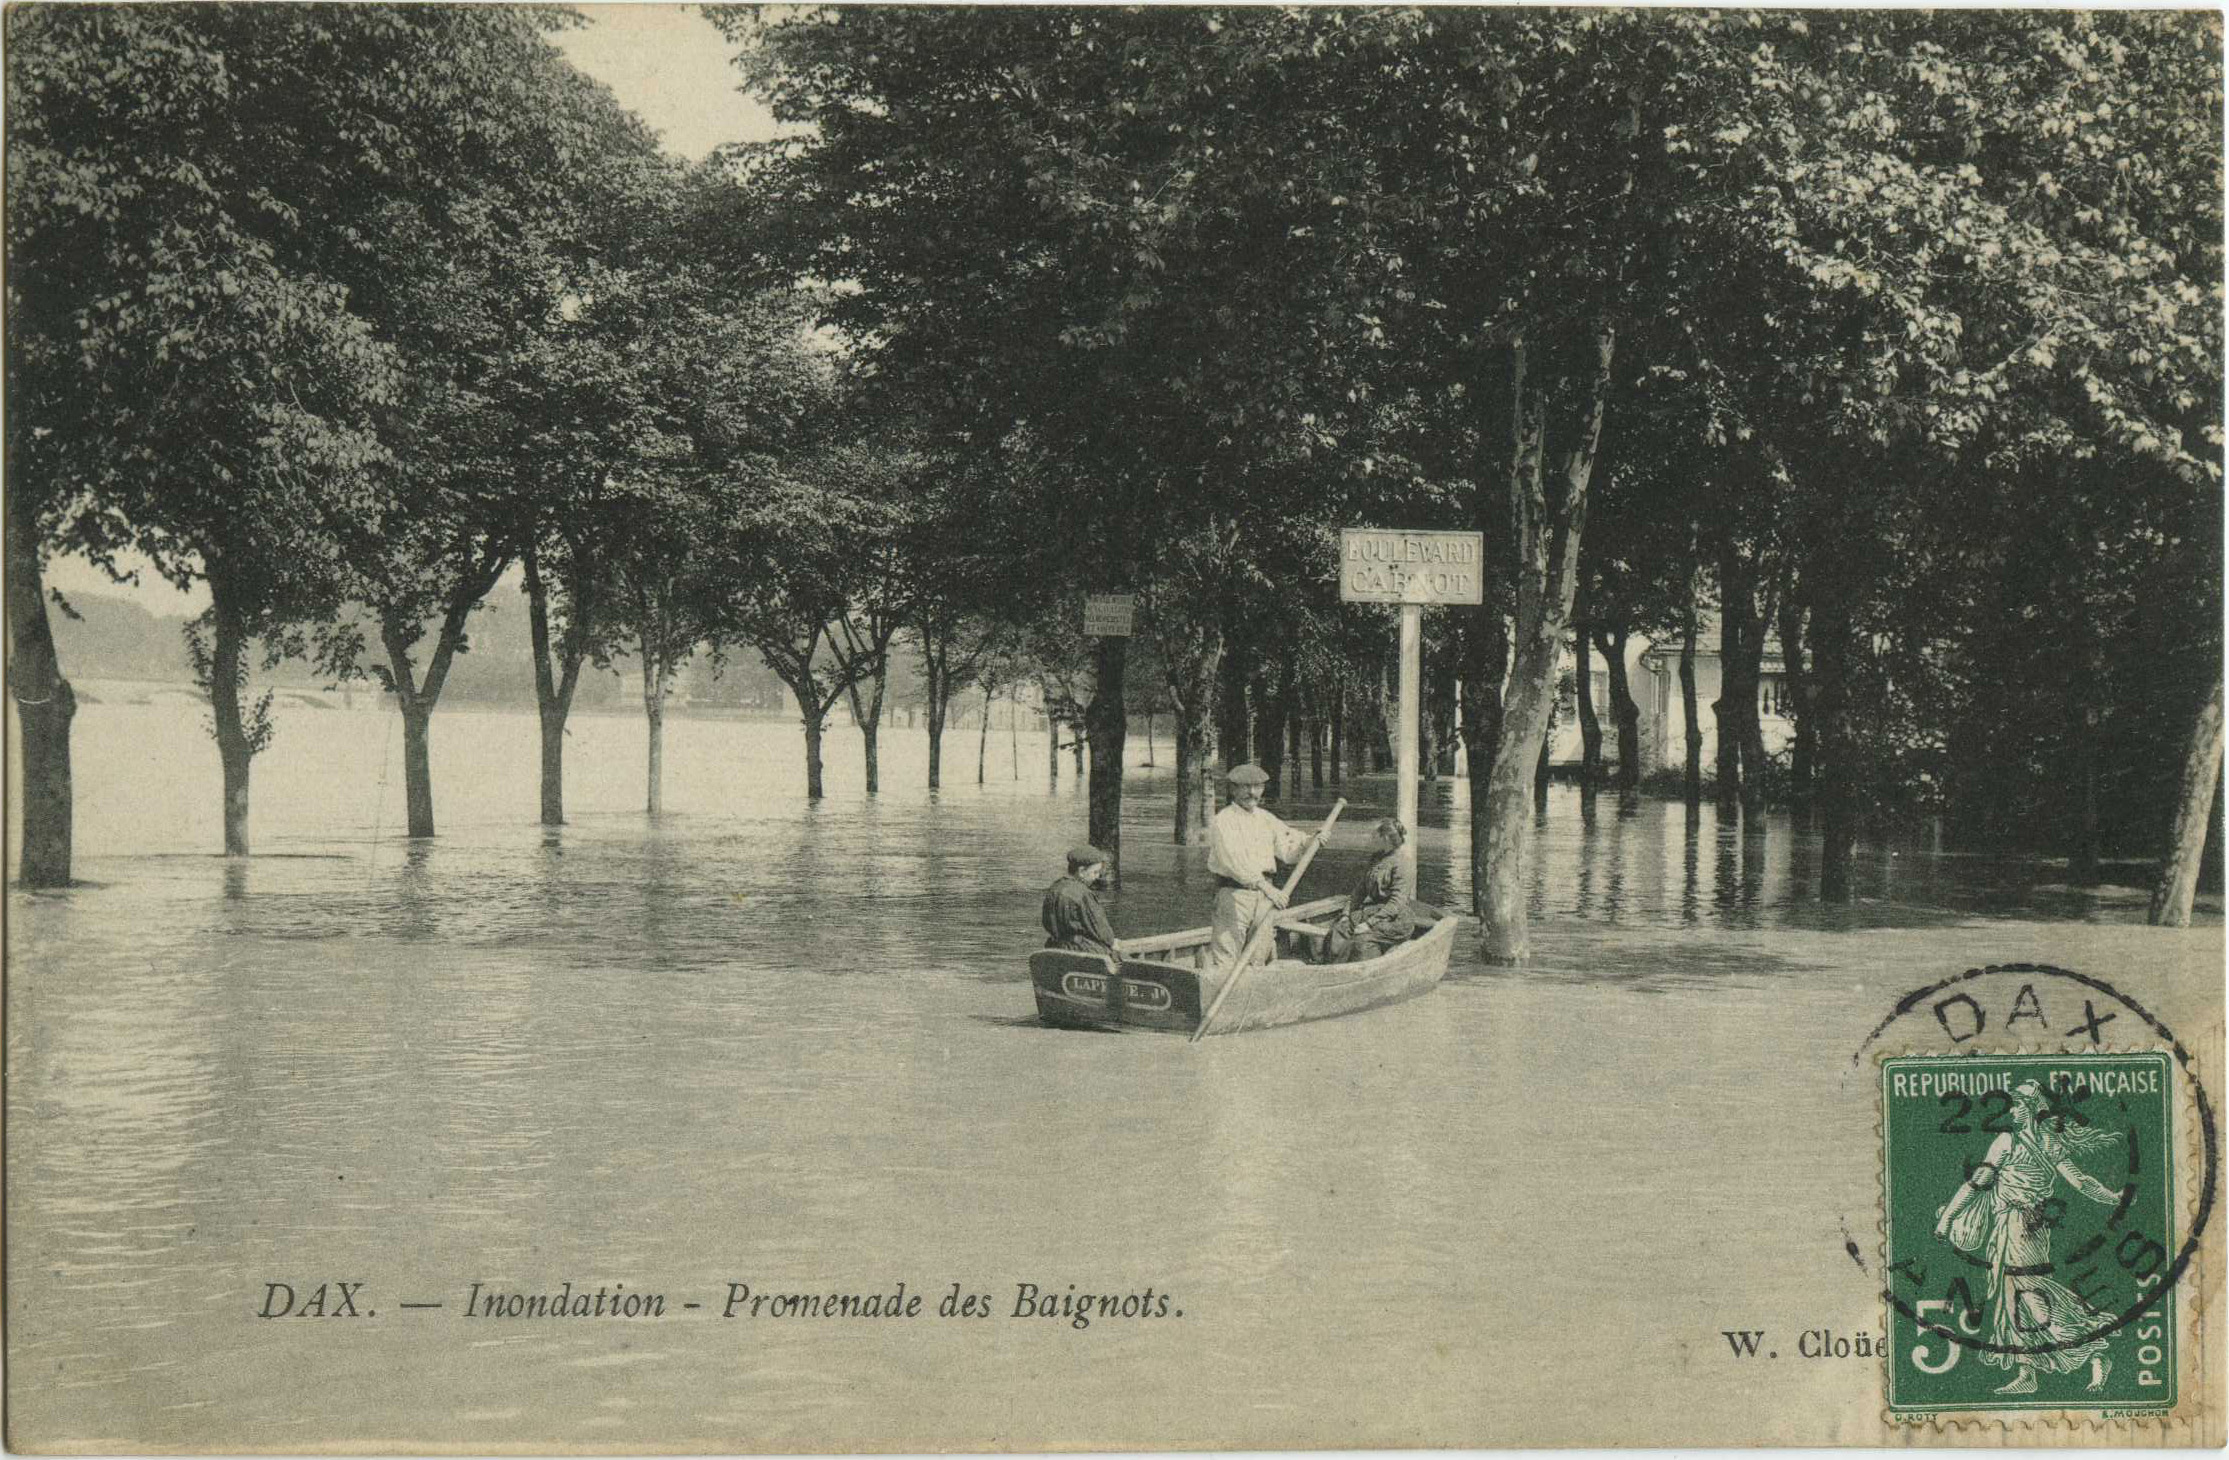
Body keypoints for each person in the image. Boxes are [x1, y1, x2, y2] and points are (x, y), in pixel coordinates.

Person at [1932, 1079, 2123, 1394]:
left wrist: (1949, 1218)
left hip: (2020, 1226)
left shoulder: (2008, 1141)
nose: (2011, 1110)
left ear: (2032, 1110)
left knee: (2030, 1294)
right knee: (2012, 1294)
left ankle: (2094, 1348)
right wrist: (2114, 1197)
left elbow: (1977, 1183)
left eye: (2018, 1105)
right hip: (2025, 1226)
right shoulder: (2046, 1144)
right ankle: (2027, 1372)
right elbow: (2083, 1183)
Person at [1206, 763, 1315, 970]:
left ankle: (1252, 996)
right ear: (1233, 789)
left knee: (1259, 954)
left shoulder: (1266, 818)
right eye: (1245, 787)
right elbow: (1234, 862)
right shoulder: (1224, 820)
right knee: (1227, 957)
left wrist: (1309, 841)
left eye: (1257, 787)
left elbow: (1288, 850)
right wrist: (1269, 890)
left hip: (1265, 896)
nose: (1252, 792)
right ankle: (1226, 999)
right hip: (1235, 894)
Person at [1316, 817, 1414, 964]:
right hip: (1373, 911)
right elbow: (1360, 891)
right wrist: (1346, 914)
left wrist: (1369, 924)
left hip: (1396, 919)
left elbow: (1396, 904)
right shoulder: (1376, 858)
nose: (1370, 839)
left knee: (1361, 940)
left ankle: (1363, 973)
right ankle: (1332, 968)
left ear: (1385, 838)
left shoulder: (1403, 863)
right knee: (1339, 929)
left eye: (1374, 836)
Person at [1042, 844, 1120, 961]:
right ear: (1082, 871)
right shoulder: (1083, 893)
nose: (1097, 876)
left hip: (1056, 947)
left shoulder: (1055, 888)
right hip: (1083, 950)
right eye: (1095, 872)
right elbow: (1100, 929)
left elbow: (1046, 923)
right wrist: (1112, 943)